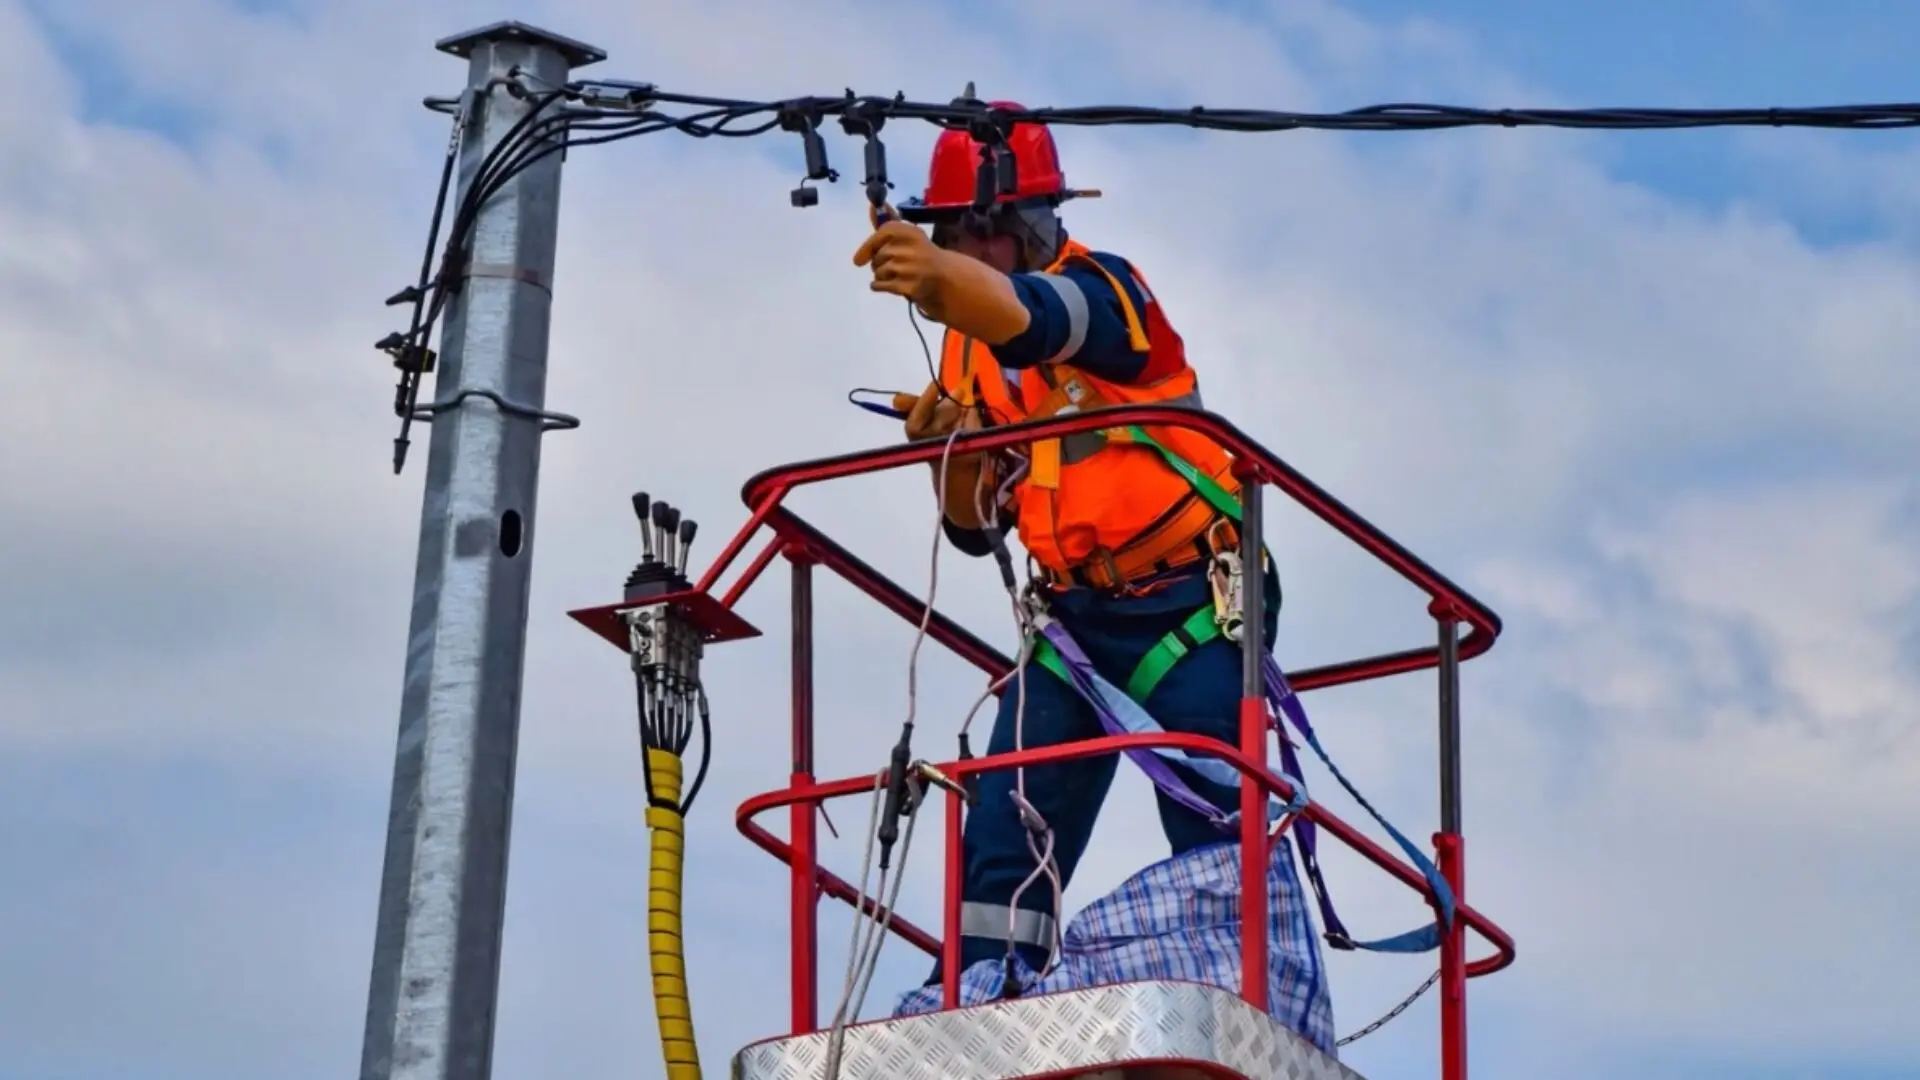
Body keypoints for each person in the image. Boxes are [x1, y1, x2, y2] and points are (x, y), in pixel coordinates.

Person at [853, 106, 1286, 984]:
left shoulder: (1113, 294)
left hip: (1187, 602)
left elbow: (1042, 320)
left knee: (1213, 808)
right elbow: (972, 532)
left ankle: (1238, 990)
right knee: (1008, 820)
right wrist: (946, 454)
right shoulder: (968, 356)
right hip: (1072, 623)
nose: (957, 249)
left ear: (1021, 224)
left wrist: (940, 281)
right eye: (946, 235)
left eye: (969, 232)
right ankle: (984, 996)